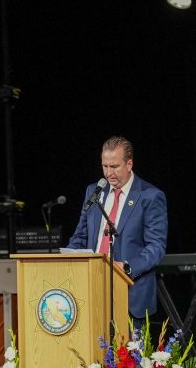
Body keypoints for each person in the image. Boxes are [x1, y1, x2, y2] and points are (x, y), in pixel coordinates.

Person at [66, 136, 168, 326]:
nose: (108, 173)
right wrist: (66, 259)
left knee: (128, 355)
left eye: (114, 167)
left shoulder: (150, 196)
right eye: (105, 166)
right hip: (92, 289)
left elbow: (156, 247)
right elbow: (81, 236)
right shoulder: (94, 192)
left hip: (130, 293)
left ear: (129, 164)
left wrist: (127, 267)